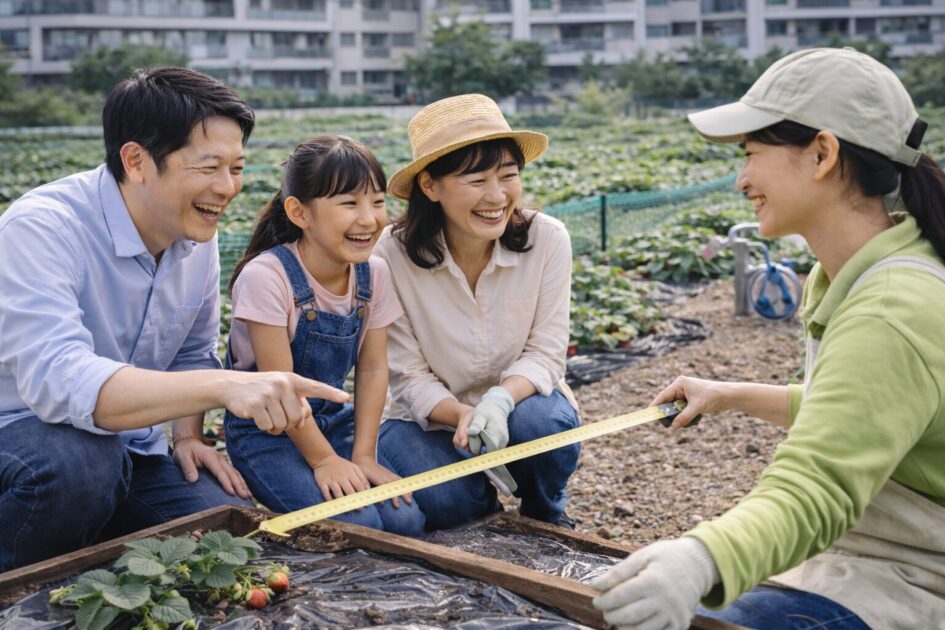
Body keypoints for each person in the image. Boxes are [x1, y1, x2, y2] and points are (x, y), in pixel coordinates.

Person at [592, 48, 945, 630]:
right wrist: (728, 394)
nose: (741, 179)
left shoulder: (891, 307)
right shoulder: (856, 272)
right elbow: (860, 414)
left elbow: (818, 486)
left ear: (823, 154)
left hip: (915, 582)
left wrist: (699, 559)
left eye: (751, 154)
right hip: (868, 559)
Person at [0, 68, 347, 572]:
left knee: (224, 534)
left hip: (129, 450)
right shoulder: (42, 229)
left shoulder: (193, 233)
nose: (227, 188)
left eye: (237, 168)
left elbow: (191, 352)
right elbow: (60, 380)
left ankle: (87, 533)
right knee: (80, 468)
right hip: (22, 436)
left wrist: (187, 436)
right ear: (136, 161)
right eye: (209, 167)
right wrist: (224, 386)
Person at [375, 93, 581, 530]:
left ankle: (544, 515)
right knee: (448, 503)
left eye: (508, 175)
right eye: (476, 180)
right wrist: (462, 415)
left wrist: (500, 399)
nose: (497, 195)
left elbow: (546, 352)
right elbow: (407, 375)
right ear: (430, 186)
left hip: (521, 402)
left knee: (544, 425)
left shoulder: (547, 240)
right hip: (427, 419)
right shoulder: (389, 256)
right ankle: (482, 514)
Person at [223, 136, 425, 536]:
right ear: (299, 212)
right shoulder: (267, 277)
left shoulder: (374, 273)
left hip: (332, 420)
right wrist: (324, 461)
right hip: (267, 429)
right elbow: (281, 387)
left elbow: (373, 368)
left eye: (377, 202)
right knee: (359, 525)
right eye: (349, 203)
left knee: (406, 521)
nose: (368, 219)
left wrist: (363, 455)